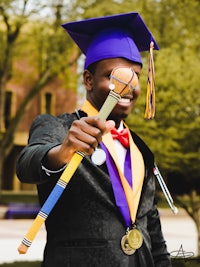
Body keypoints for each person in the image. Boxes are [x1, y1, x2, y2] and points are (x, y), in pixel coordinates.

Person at [16, 12, 172, 267]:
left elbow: (152, 227)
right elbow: (28, 163)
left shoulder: (141, 149)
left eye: (135, 76)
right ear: (88, 80)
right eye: (116, 75)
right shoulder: (58, 127)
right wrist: (63, 151)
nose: (129, 85)